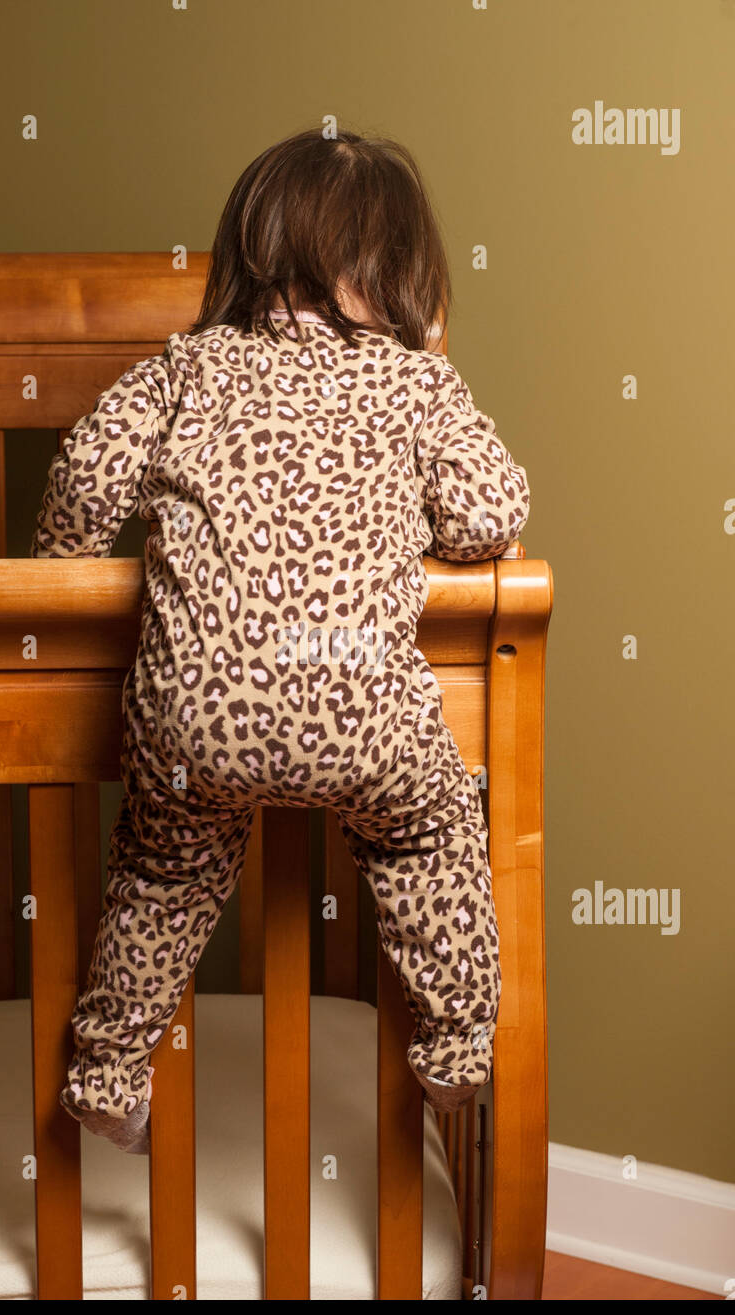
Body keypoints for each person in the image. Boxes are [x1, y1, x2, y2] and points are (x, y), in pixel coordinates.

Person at [29, 127, 530, 1153]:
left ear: (245, 258)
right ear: (401, 277)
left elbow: (84, 479)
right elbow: (491, 510)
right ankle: (456, 1053)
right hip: (363, 708)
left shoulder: (188, 368)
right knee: (428, 837)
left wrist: (62, 566)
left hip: (191, 720)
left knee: (162, 871)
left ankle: (110, 1072)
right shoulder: (414, 383)